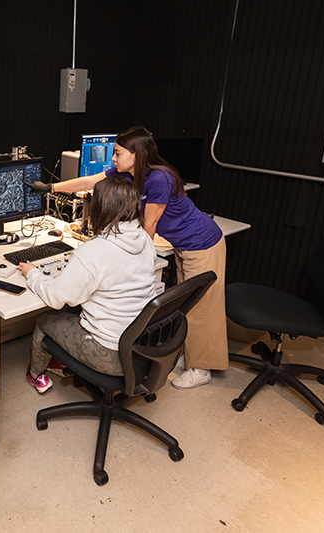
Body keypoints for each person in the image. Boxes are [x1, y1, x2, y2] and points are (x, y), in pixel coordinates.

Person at [27, 126, 227, 389]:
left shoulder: (159, 179)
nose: (113, 158)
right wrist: (51, 187)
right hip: (180, 243)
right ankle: (188, 356)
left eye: (118, 153)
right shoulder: (128, 173)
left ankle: (202, 368)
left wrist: (120, 254)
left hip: (201, 241)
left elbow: (150, 226)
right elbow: (91, 181)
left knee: (201, 307)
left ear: (137, 154)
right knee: (184, 303)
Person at [19, 176, 157, 393]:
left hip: (111, 354)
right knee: (74, 309)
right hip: (142, 345)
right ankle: (61, 360)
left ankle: (35, 374)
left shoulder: (95, 252)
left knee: (45, 320)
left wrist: (33, 275)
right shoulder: (145, 239)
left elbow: (56, 298)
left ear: (100, 208)